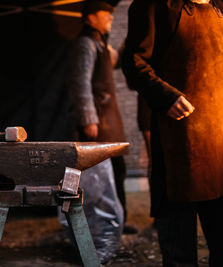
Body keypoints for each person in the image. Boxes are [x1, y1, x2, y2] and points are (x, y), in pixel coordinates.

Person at [122, 0, 223, 265]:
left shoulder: (220, 6)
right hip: (180, 143)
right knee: (180, 252)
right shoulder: (156, 6)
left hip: (220, 145)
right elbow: (134, 62)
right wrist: (165, 97)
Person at [65, 0, 137, 234]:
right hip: (100, 122)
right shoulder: (86, 43)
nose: (110, 17)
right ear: (90, 17)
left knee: (117, 171)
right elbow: (81, 83)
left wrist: (133, 40)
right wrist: (89, 119)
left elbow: (114, 61)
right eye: (105, 13)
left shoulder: (99, 42)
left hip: (108, 120)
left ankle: (116, 221)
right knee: (105, 176)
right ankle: (106, 223)